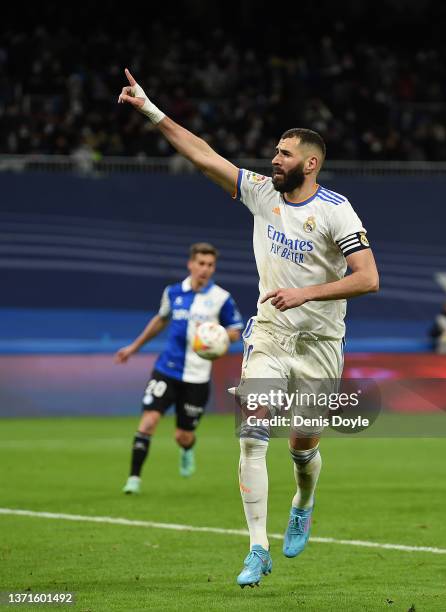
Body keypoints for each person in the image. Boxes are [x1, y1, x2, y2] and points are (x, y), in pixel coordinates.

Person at [118, 69, 379, 586]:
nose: (273, 159)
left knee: (302, 449)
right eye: (275, 152)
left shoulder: (336, 213)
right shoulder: (263, 194)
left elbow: (368, 277)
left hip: (322, 344)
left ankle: (303, 501)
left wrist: (306, 292)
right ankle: (258, 546)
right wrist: (150, 110)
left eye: (284, 154)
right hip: (270, 335)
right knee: (252, 434)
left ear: (310, 162)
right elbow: (203, 155)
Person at [115, 242, 243, 492]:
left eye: (210, 265)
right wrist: (133, 347)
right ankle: (134, 479)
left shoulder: (221, 298)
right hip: (167, 369)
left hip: (197, 377)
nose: (205, 269)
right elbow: (160, 320)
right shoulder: (173, 293)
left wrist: (218, 336)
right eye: (201, 264)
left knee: (183, 436)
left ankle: (187, 449)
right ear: (191, 264)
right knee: (148, 421)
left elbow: (235, 331)